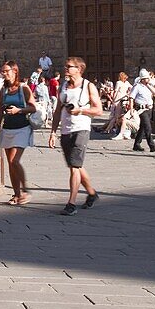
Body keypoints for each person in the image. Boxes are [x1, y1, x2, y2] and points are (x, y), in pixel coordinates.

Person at [49, 56, 103, 215]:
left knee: (74, 167)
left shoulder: (88, 86)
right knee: (76, 165)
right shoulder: (63, 86)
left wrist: (80, 110)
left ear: (79, 69)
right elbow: (58, 110)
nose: (66, 69)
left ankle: (71, 204)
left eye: (69, 66)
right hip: (66, 130)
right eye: (66, 66)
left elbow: (98, 110)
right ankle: (92, 194)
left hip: (81, 129)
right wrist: (53, 132)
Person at [0, 60, 36, 206]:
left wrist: (19, 110)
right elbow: (0, 111)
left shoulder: (23, 89)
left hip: (22, 128)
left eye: (6, 71)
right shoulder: (3, 90)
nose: (4, 74)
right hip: (8, 128)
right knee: (10, 164)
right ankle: (17, 194)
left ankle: (25, 189)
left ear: (15, 71)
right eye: (3, 71)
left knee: (15, 161)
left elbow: (33, 108)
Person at [130, 70, 155, 153]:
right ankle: (152, 146)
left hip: (149, 109)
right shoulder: (137, 87)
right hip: (142, 109)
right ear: (142, 79)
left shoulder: (149, 86)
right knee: (148, 127)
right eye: (146, 78)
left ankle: (136, 144)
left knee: (143, 127)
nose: (148, 80)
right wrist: (131, 109)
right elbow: (131, 98)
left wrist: (149, 85)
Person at [105, 71, 130, 135]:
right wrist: (127, 94)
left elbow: (116, 91)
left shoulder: (118, 82)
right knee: (118, 115)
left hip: (118, 99)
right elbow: (132, 87)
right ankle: (109, 129)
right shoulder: (127, 83)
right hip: (124, 99)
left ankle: (109, 129)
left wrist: (113, 99)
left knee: (116, 116)